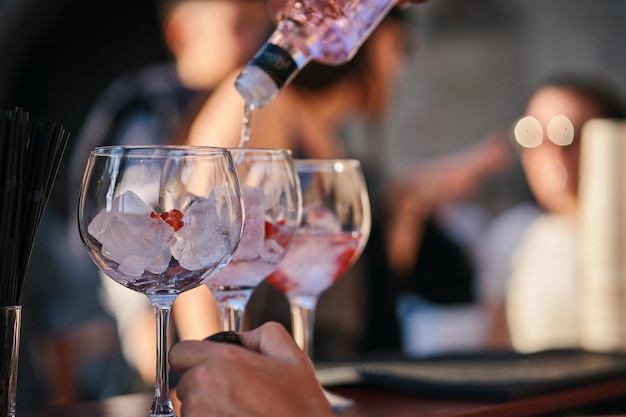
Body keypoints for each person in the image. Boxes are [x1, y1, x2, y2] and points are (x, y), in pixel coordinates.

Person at [67, 0, 273, 388]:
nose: (256, 46)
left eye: (260, 31)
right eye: (241, 27)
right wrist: (141, 325)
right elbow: (132, 236)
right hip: (134, 338)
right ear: (180, 33)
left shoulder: (242, 104)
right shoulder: (148, 107)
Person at [476, 74, 626, 353]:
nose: (552, 150)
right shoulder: (512, 235)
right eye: (531, 133)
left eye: (568, 132)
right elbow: (497, 350)